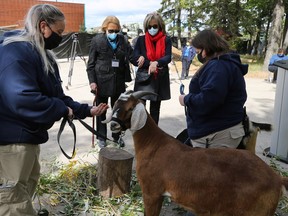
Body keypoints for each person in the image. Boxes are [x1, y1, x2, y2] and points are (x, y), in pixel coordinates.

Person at [0, 4, 108, 216]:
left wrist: (86, 110)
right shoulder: (16, 52)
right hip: (12, 141)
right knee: (12, 201)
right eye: (59, 32)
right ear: (43, 27)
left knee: (25, 188)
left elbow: (58, 96)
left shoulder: (42, 54)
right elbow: (22, 98)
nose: (61, 37)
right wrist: (61, 109)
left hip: (28, 138)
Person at [179, 29, 247, 149]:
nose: (198, 55)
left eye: (198, 51)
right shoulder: (221, 64)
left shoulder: (218, 67)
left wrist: (186, 99)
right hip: (217, 129)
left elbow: (209, 99)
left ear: (206, 48)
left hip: (217, 133)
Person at [86, 16, 132, 148]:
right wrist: (92, 82)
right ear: (105, 29)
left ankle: (116, 137)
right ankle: (101, 137)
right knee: (101, 111)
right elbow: (90, 65)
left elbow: (131, 55)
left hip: (118, 83)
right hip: (101, 83)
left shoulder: (123, 40)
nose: (113, 33)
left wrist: (142, 59)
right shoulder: (97, 41)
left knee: (118, 112)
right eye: (111, 31)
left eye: (116, 31)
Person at [131, 12, 172, 124]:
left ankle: (154, 136)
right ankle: (141, 134)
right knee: (140, 109)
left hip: (159, 77)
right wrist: (149, 62)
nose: (152, 29)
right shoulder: (141, 40)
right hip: (143, 78)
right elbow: (134, 59)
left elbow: (168, 57)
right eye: (149, 26)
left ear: (160, 26)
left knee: (155, 110)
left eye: (155, 26)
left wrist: (156, 63)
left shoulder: (166, 39)